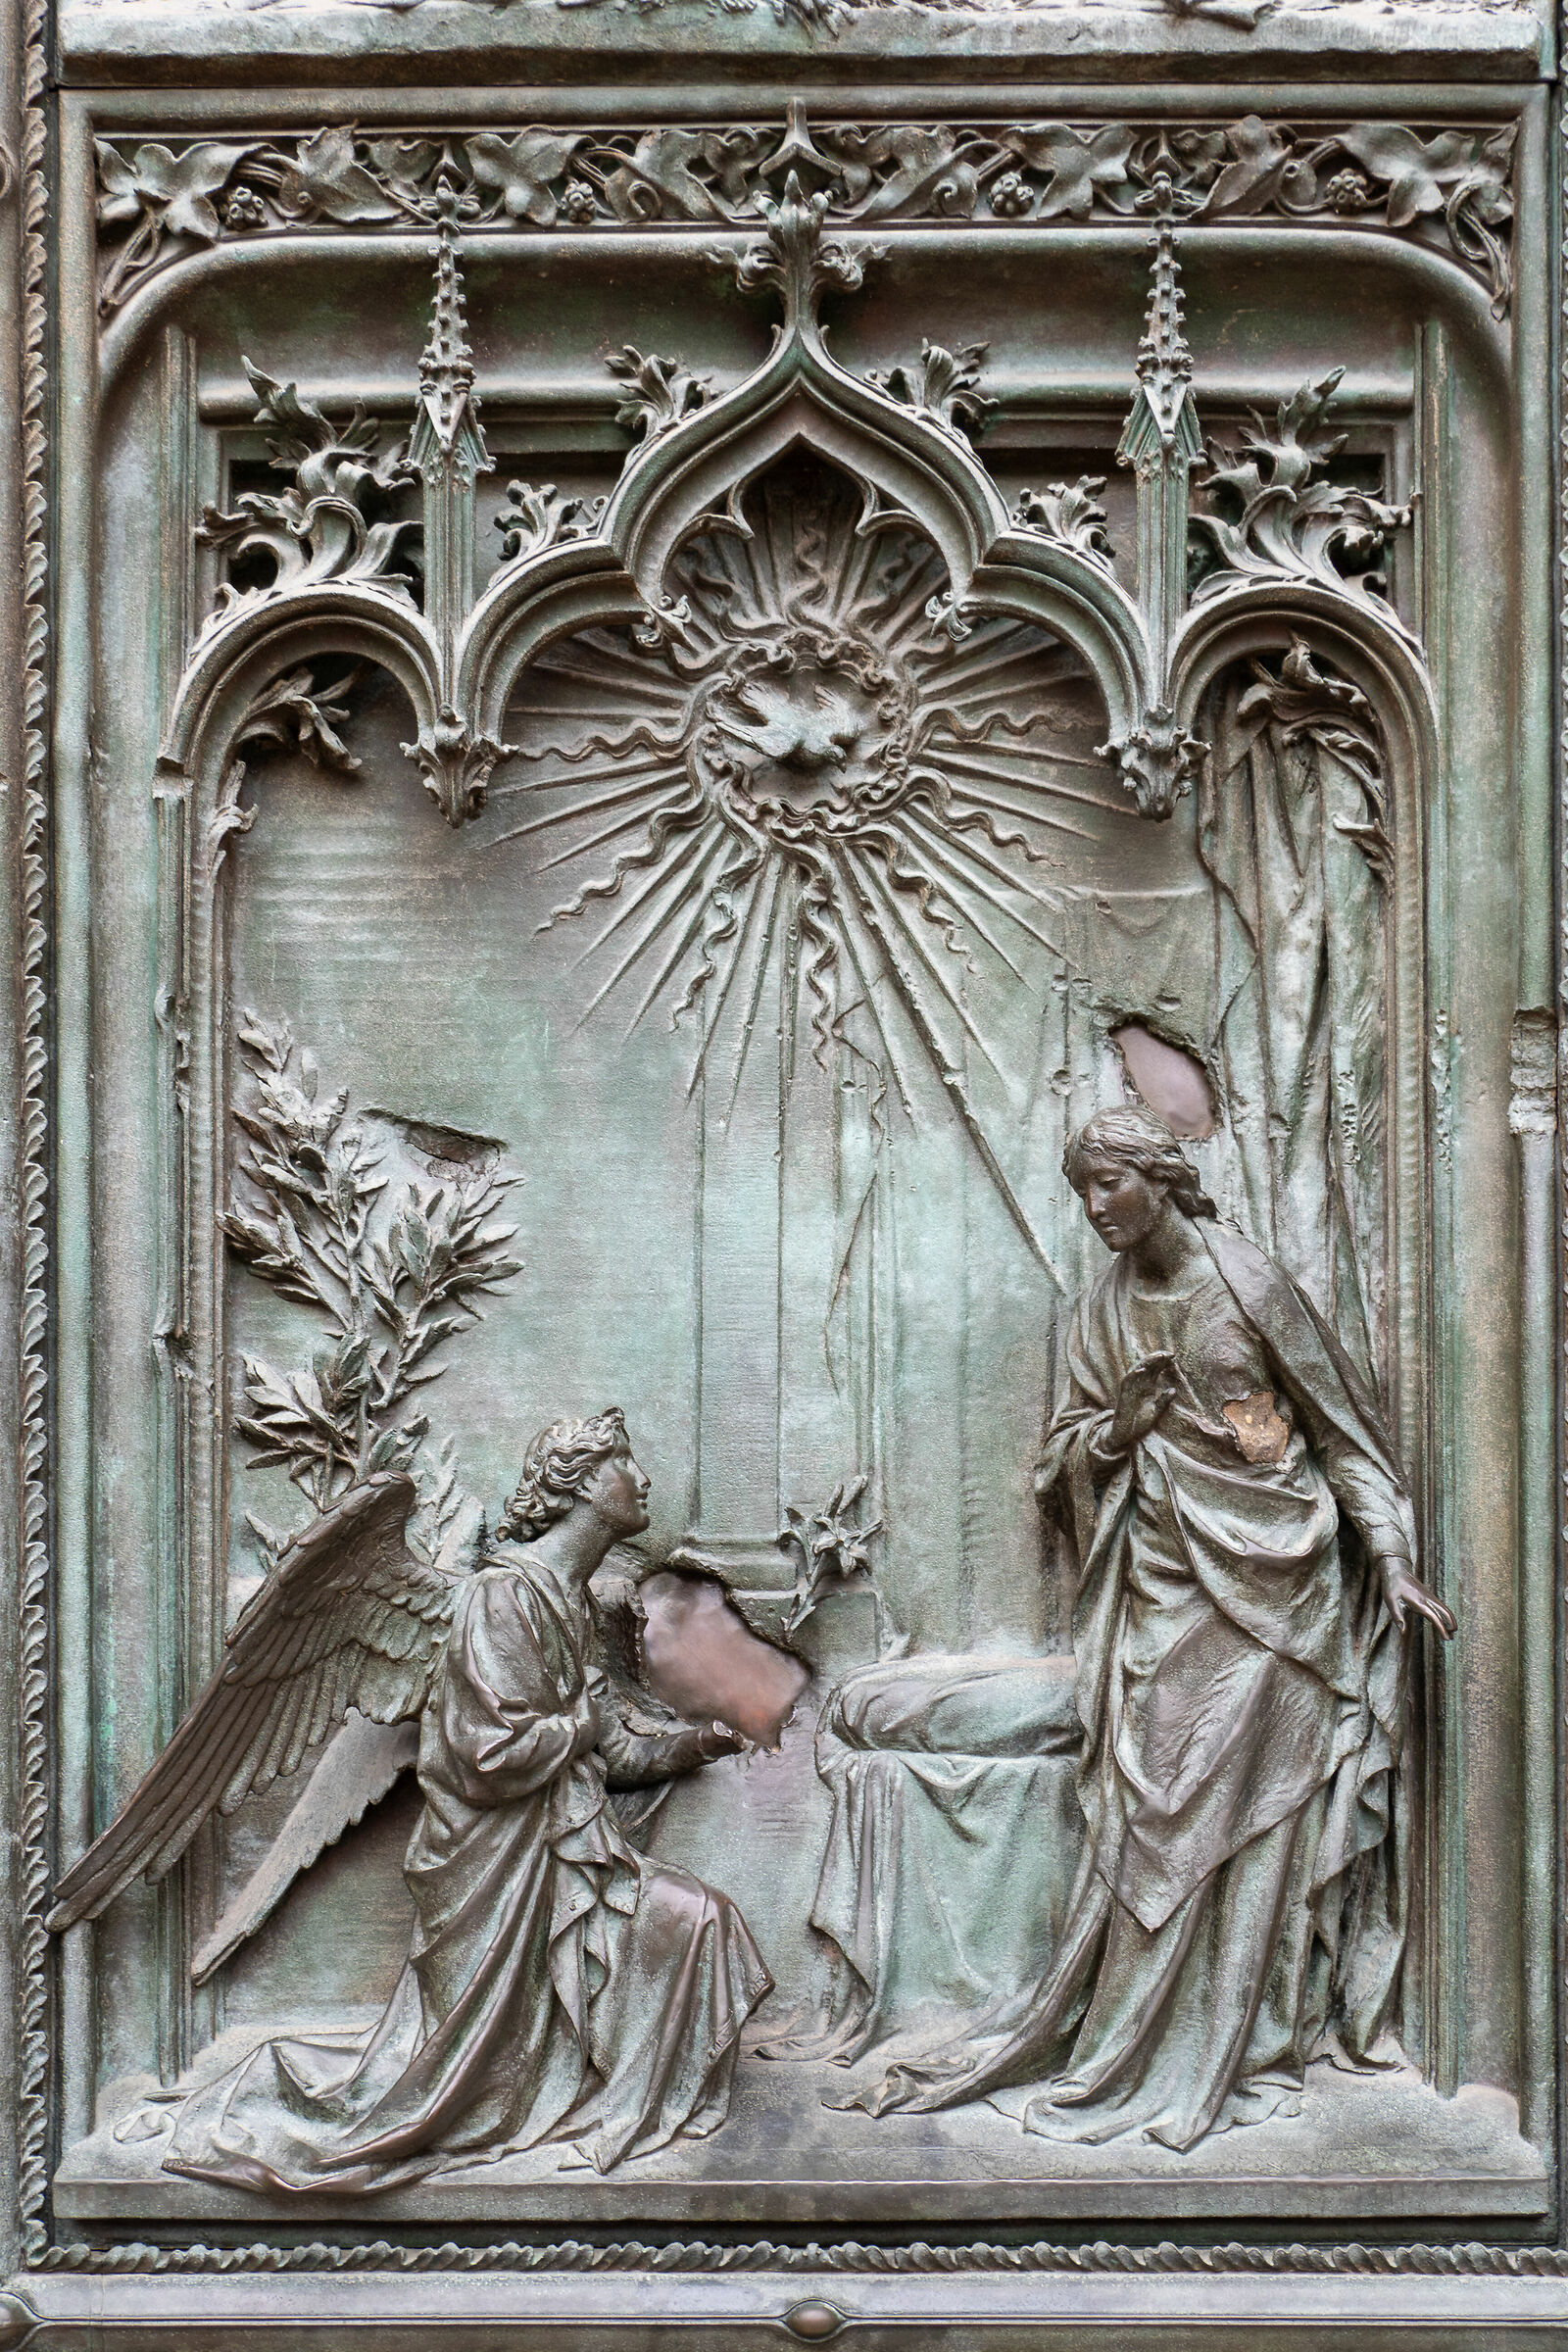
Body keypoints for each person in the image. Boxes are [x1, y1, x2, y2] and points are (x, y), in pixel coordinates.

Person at [847, 1106, 1453, 2151]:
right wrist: (1118, 1428)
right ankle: (1133, 2039)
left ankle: (1240, 2039)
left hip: (1277, 1598)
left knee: (1255, 1819)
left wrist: (1392, 1558)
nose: (1094, 1208)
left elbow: (1336, 1432)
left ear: (1161, 1179)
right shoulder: (1101, 1310)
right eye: (1081, 1191)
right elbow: (1061, 1461)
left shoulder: (1247, 1282)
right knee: (1152, 1811)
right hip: (1160, 1588)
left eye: (1109, 1185)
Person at [167, 1409, 771, 2191]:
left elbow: (608, 1754)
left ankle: (618, 2109)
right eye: (624, 1462)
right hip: (496, 1877)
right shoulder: (500, 1598)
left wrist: (698, 1744)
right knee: (697, 1923)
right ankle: (584, 2108)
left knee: (703, 1924)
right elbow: (489, 1760)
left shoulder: (569, 1602)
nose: (642, 1478)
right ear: (583, 1484)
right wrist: (582, 1726)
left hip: (560, 1864)